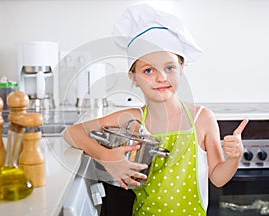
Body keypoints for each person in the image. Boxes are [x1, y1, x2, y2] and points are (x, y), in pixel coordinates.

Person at [63, 4, 248, 216]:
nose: (161, 78)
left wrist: (234, 158)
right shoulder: (133, 117)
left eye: (169, 68)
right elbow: (71, 133)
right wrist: (107, 157)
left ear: (181, 69)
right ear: (133, 77)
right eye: (149, 70)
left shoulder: (201, 118)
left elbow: (218, 177)